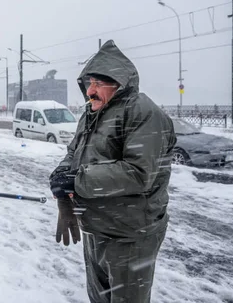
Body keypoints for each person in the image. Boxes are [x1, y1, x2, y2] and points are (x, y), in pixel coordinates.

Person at [49, 40, 176, 303]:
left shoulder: (142, 112)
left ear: (118, 83)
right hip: (96, 227)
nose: (90, 92)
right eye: (88, 83)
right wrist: (62, 184)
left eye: (97, 84)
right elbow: (74, 154)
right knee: (99, 299)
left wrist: (77, 180)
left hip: (129, 234)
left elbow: (138, 173)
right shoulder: (91, 114)